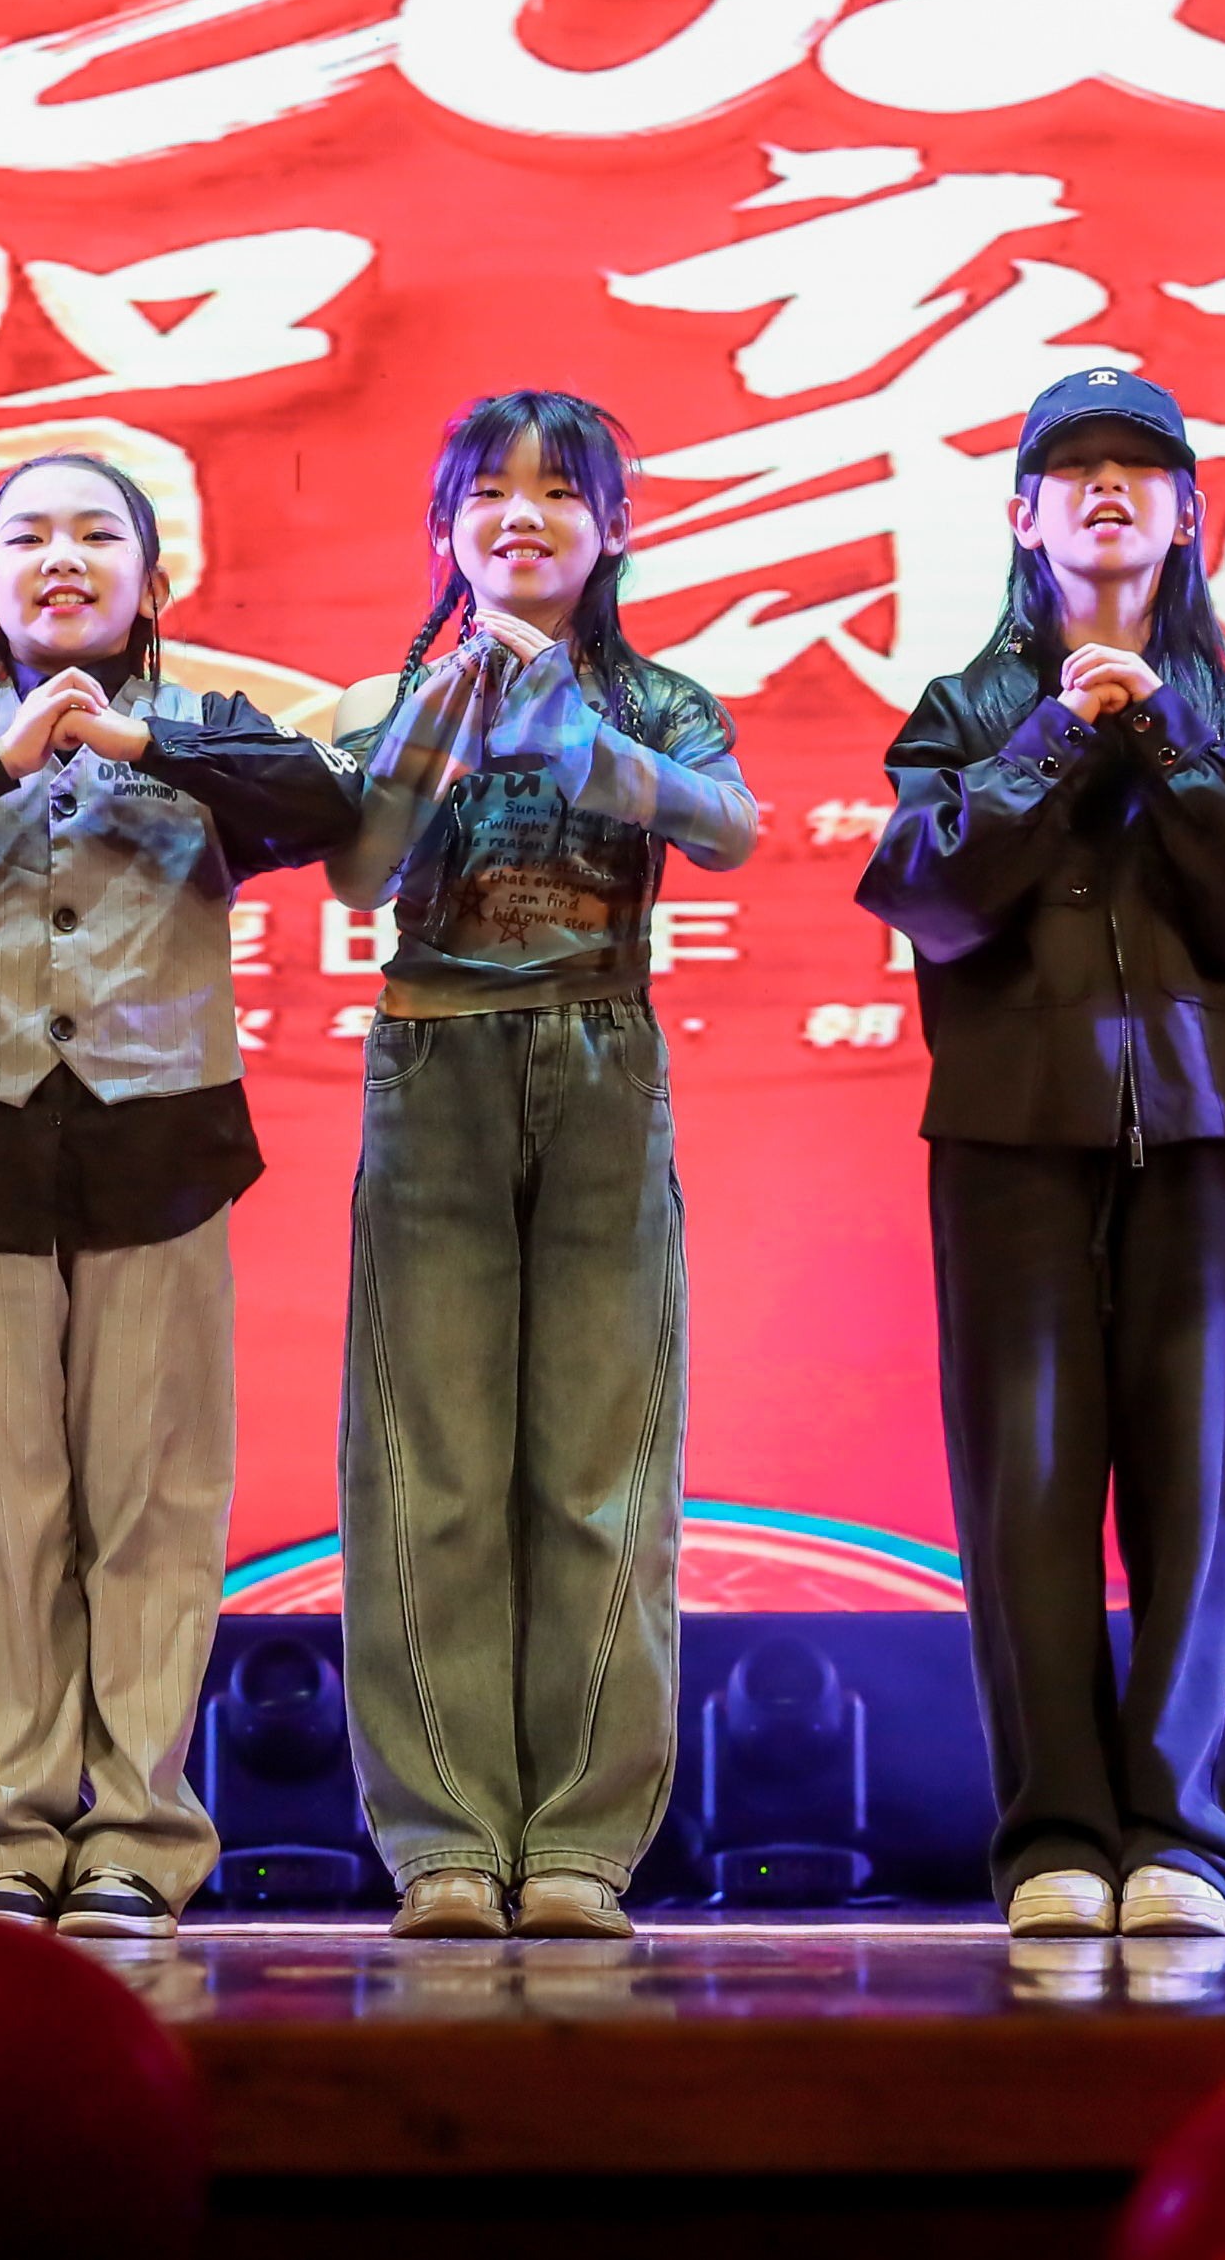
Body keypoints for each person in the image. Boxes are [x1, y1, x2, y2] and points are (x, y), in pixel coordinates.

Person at [0, 451, 355, 1941]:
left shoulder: (209, 723)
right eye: (27, 536)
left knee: (155, 1505)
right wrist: (3, 756)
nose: (61, 557)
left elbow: (325, 808)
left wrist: (135, 739)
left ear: (152, 582)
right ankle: (0, 1837)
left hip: (161, 1140)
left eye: (97, 534)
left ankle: (139, 1835)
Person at [854, 368, 1225, 1943]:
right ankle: (1056, 1836)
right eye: (1077, 470)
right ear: (1025, 515)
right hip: (1011, 1131)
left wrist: (1169, 741)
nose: (1111, 490)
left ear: (1190, 514)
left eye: (1143, 467)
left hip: (1200, 1129)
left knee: (1204, 1493)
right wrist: (1064, 732)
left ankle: (1188, 1838)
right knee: (1029, 1495)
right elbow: (927, 893)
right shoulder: (964, 709)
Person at [327, 390, 761, 1941]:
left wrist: (585, 744)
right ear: (444, 529)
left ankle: (580, 1838)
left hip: (601, 1058)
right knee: (428, 1468)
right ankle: (444, 1836)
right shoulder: (391, 694)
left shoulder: (654, 696)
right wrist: (425, 740)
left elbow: (734, 828)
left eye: (560, 493)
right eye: (489, 495)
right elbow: (355, 866)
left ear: (613, 529)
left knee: (599, 1471)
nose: (523, 517)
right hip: (433, 1061)